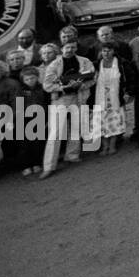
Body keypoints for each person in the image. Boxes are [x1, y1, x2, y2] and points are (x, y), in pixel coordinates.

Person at [40, 41, 95, 178]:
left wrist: (80, 85)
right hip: (61, 99)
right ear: (62, 49)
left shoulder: (85, 61)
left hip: (79, 97)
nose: (70, 49)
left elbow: (93, 78)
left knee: (76, 128)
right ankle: (49, 166)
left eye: (73, 47)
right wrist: (64, 87)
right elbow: (47, 86)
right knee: (56, 131)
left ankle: (72, 155)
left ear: (76, 48)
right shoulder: (55, 64)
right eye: (67, 47)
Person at [89, 40, 130, 154]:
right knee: (101, 123)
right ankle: (104, 146)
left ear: (114, 51)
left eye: (108, 51)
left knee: (114, 122)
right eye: (103, 51)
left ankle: (112, 146)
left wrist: (128, 92)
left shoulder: (121, 63)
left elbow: (128, 80)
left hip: (115, 97)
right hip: (99, 98)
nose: (106, 53)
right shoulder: (96, 64)